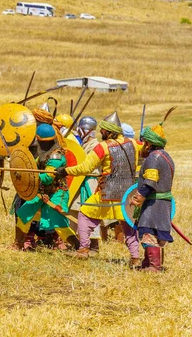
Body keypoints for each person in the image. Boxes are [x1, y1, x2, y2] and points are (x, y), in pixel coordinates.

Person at [57, 111, 143, 267]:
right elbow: (147, 150)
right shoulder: (134, 143)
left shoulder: (102, 147)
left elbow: (85, 168)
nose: (100, 132)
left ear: (109, 131)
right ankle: (135, 258)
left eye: (103, 130)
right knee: (128, 226)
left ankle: (83, 249)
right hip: (127, 195)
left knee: (84, 214)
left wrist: (65, 171)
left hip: (106, 193)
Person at [13, 124, 72, 250]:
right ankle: (17, 244)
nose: (44, 145)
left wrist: (27, 176)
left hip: (57, 193)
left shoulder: (56, 157)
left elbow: (47, 178)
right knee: (24, 214)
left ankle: (80, 247)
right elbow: (31, 168)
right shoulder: (42, 154)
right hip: (42, 193)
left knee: (59, 223)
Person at [131, 117, 175, 272]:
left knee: (149, 232)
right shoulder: (165, 155)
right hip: (161, 202)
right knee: (153, 233)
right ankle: (147, 263)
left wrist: (139, 197)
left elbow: (150, 181)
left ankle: (154, 266)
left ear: (148, 143)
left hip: (154, 203)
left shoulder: (153, 158)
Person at [69, 116, 104, 254]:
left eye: (82, 130)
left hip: (90, 182)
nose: (79, 132)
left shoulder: (96, 146)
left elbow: (89, 166)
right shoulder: (81, 144)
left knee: (90, 212)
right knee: (74, 210)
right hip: (78, 181)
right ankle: (76, 243)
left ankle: (93, 245)